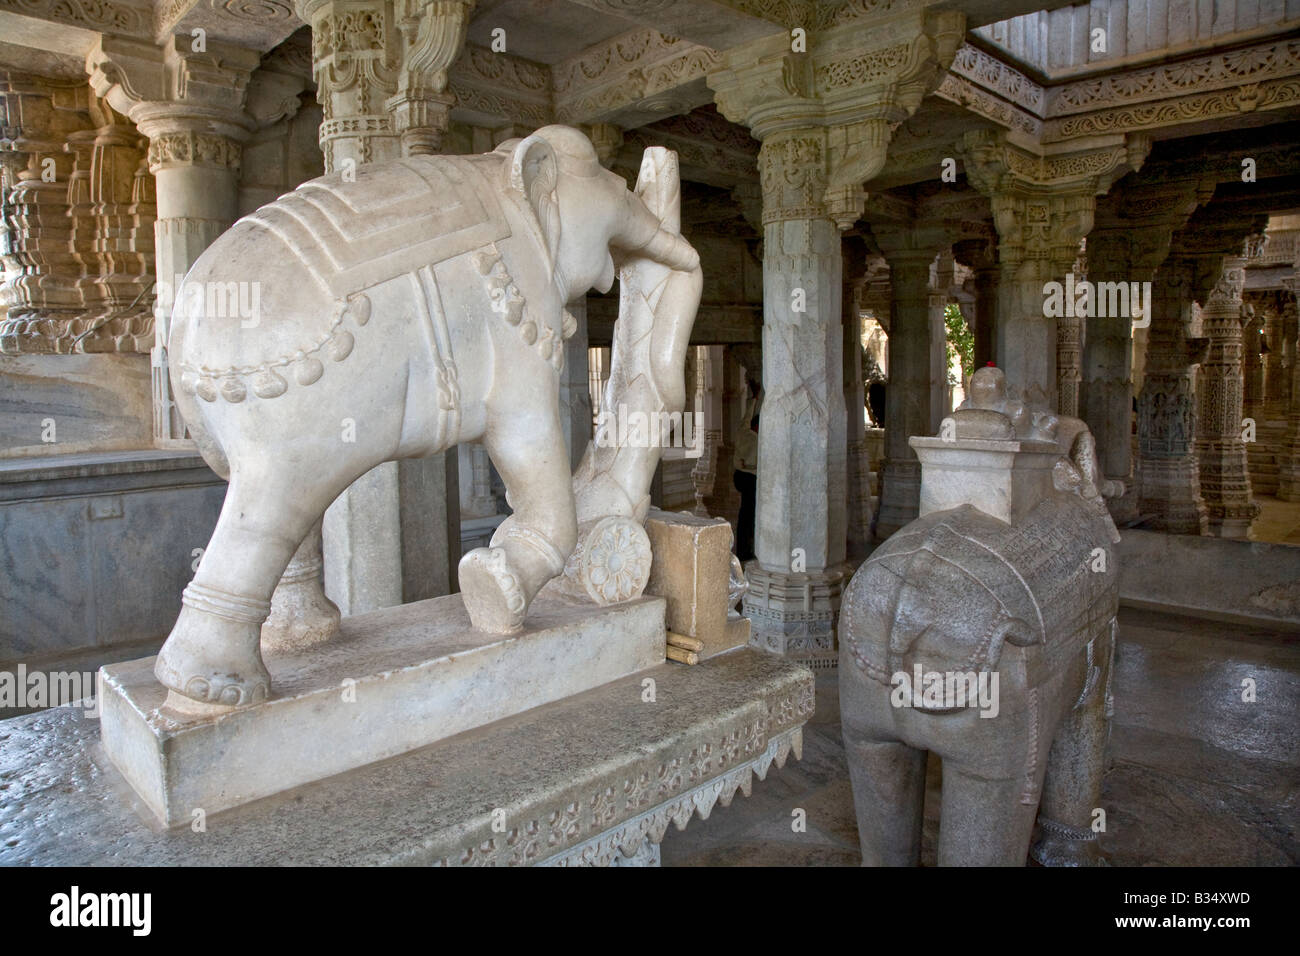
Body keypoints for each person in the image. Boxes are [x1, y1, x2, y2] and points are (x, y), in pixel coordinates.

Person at [734, 413, 759, 561]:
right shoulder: (756, 439)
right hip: (750, 479)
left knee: (746, 515)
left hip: (739, 477)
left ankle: (744, 550)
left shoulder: (742, 432)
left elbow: (745, 420)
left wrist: (754, 398)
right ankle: (744, 552)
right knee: (748, 517)